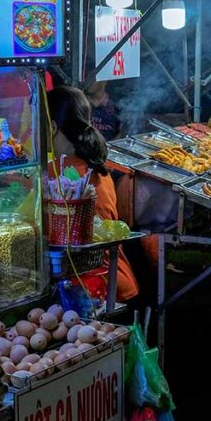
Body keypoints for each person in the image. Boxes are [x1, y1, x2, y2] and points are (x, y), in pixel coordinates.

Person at [46, 86, 138, 302]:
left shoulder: (53, 175)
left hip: (89, 289)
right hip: (117, 279)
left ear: (51, 127)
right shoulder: (97, 165)